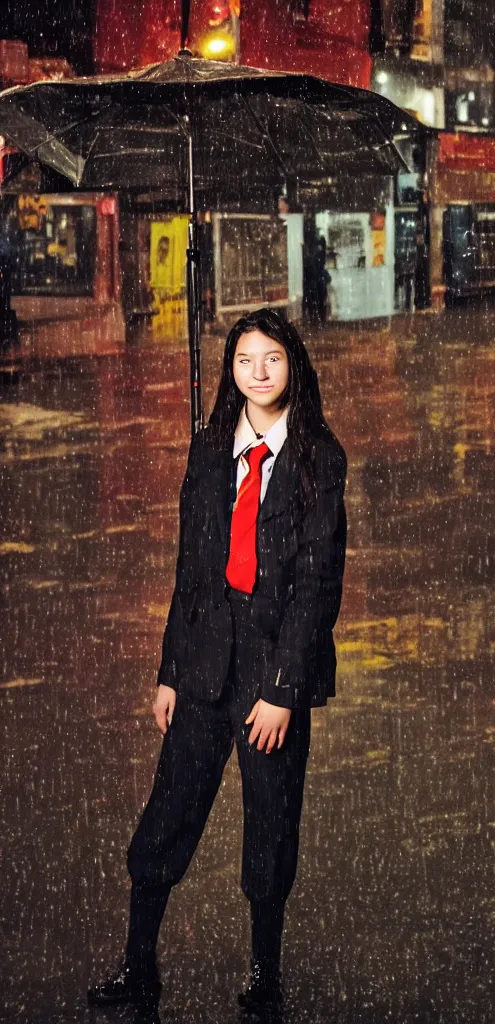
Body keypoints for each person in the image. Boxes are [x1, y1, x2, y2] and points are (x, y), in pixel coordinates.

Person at [88, 308, 347, 1021]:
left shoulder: (319, 458)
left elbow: (317, 584)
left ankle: (266, 975)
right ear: (230, 370)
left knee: (270, 824)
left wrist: (284, 691)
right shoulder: (209, 451)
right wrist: (170, 669)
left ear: (293, 365)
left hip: (269, 678)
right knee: (168, 815)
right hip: (204, 666)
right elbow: (191, 569)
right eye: (244, 360)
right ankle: (140, 967)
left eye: (272, 359)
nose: (258, 372)